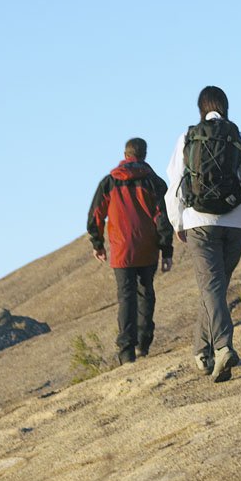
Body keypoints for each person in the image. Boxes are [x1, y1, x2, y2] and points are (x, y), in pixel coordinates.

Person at [166, 86, 241, 382]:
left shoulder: (187, 138)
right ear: (226, 107)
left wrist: (177, 221)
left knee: (211, 288)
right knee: (215, 288)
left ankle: (222, 347)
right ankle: (201, 352)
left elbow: (175, 184)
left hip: (199, 222)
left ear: (201, 109)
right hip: (237, 223)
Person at [87, 137, 173, 364]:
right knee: (146, 292)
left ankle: (126, 352)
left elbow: (96, 214)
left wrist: (98, 243)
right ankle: (143, 345)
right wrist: (167, 250)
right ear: (144, 155)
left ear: (125, 155)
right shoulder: (154, 182)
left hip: (121, 250)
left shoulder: (109, 182)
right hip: (148, 247)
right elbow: (164, 218)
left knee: (126, 297)